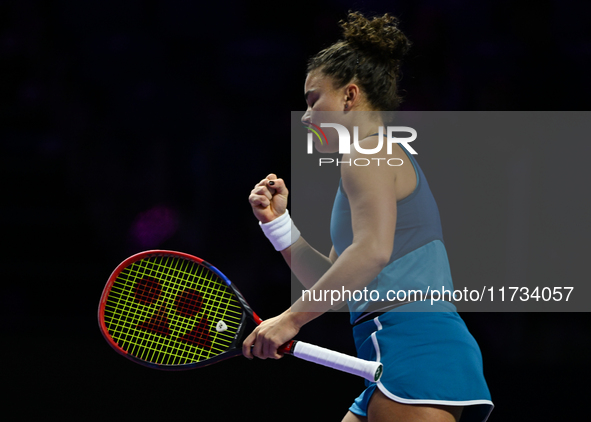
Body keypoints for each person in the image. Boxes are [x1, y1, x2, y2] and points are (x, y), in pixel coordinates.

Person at [242, 12, 493, 422]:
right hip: (402, 349)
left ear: (349, 95)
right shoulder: (375, 157)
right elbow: (339, 283)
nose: (305, 117)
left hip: (414, 346)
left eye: (312, 100)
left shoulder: (367, 153)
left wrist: (290, 319)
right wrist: (278, 224)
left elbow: (371, 253)